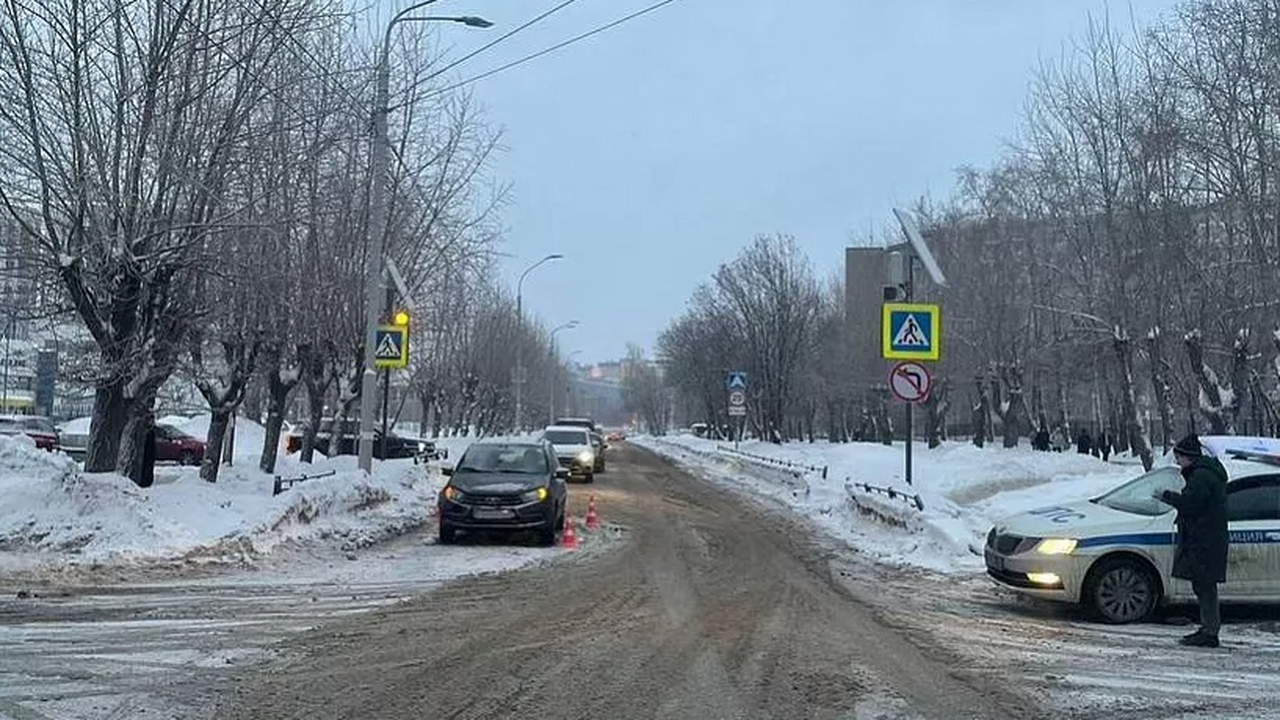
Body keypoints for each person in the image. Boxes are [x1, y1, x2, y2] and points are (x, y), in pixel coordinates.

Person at [1152, 433, 1228, 648]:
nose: (1177, 461)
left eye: (1179, 457)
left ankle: (1210, 631)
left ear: (1189, 457)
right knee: (1203, 585)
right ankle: (1208, 628)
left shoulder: (1201, 476)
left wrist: (1167, 496)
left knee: (1205, 586)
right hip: (1205, 538)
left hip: (1204, 540)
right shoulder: (1202, 473)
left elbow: (1191, 504)